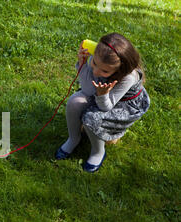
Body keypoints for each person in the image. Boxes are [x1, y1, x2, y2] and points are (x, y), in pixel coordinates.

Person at [55, 33, 150, 172]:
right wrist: (83, 65)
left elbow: (106, 107)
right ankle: (73, 139)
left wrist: (102, 94)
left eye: (105, 71)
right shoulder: (98, 59)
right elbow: (87, 90)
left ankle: (98, 151)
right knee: (75, 101)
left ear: (120, 69)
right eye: (94, 64)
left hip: (121, 105)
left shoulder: (128, 77)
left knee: (91, 118)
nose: (97, 71)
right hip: (102, 93)